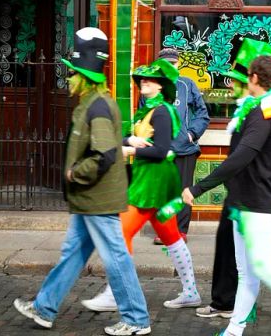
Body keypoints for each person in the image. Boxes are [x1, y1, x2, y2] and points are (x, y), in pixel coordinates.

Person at [13, 27, 151, 336]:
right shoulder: (94, 103)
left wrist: (76, 173)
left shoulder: (97, 107)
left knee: (116, 257)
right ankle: (44, 307)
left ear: (83, 77)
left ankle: (137, 319)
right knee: (72, 254)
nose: (69, 78)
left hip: (97, 197)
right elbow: (112, 143)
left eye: (72, 73)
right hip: (87, 199)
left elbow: (104, 156)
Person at [183, 55, 271, 336]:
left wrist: (198, 187)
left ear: (254, 78)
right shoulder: (264, 110)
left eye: (246, 75)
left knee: (266, 268)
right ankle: (233, 330)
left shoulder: (263, 112)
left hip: (255, 202)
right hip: (246, 200)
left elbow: (242, 157)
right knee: (247, 273)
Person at [83, 58, 201, 313]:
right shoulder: (148, 109)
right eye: (142, 79)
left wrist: (128, 151)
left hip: (152, 183)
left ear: (161, 86)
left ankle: (117, 293)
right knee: (172, 237)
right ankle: (191, 292)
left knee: (120, 234)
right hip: (153, 181)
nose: (144, 82)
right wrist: (131, 139)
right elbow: (128, 134)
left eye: (150, 79)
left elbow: (160, 151)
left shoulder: (161, 112)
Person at [151, 48, 209, 243]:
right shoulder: (152, 86)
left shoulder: (187, 84)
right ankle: (165, 231)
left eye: (173, 63)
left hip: (185, 149)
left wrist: (192, 134)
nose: (170, 67)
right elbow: (144, 115)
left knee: (183, 191)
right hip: (160, 149)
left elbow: (202, 112)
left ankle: (180, 232)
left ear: (179, 64)